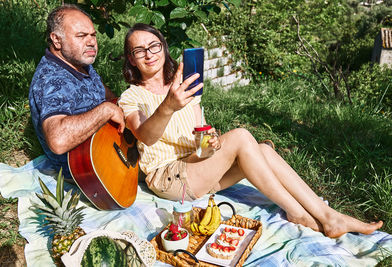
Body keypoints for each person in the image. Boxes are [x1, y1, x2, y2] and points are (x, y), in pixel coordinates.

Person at [118, 23, 383, 238]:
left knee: (263, 151)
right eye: (139, 50)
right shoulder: (132, 97)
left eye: (154, 46)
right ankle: (298, 213)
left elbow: (200, 140)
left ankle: (328, 215)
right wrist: (169, 106)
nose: (149, 54)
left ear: (164, 48)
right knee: (243, 136)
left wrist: (213, 144)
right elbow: (146, 136)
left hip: (196, 167)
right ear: (131, 59)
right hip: (170, 180)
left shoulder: (184, 88)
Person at [29, 4, 125, 178]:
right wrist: (106, 110)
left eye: (93, 35)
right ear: (56, 40)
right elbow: (58, 140)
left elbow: (104, 93)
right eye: (81, 36)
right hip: (86, 172)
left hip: (108, 149)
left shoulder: (79, 63)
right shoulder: (53, 80)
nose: (91, 42)